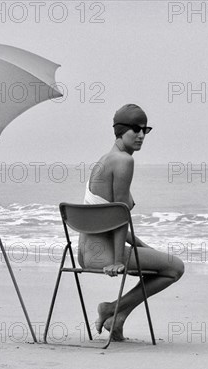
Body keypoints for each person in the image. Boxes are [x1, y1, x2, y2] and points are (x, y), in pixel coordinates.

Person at [77, 104, 185, 341]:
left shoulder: (103, 161)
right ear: (120, 130)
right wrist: (116, 261)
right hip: (105, 256)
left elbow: (107, 220)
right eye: (135, 129)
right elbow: (119, 217)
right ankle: (110, 309)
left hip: (86, 254)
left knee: (161, 261)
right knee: (175, 268)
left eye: (145, 130)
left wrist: (144, 247)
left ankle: (118, 317)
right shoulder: (124, 161)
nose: (141, 136)